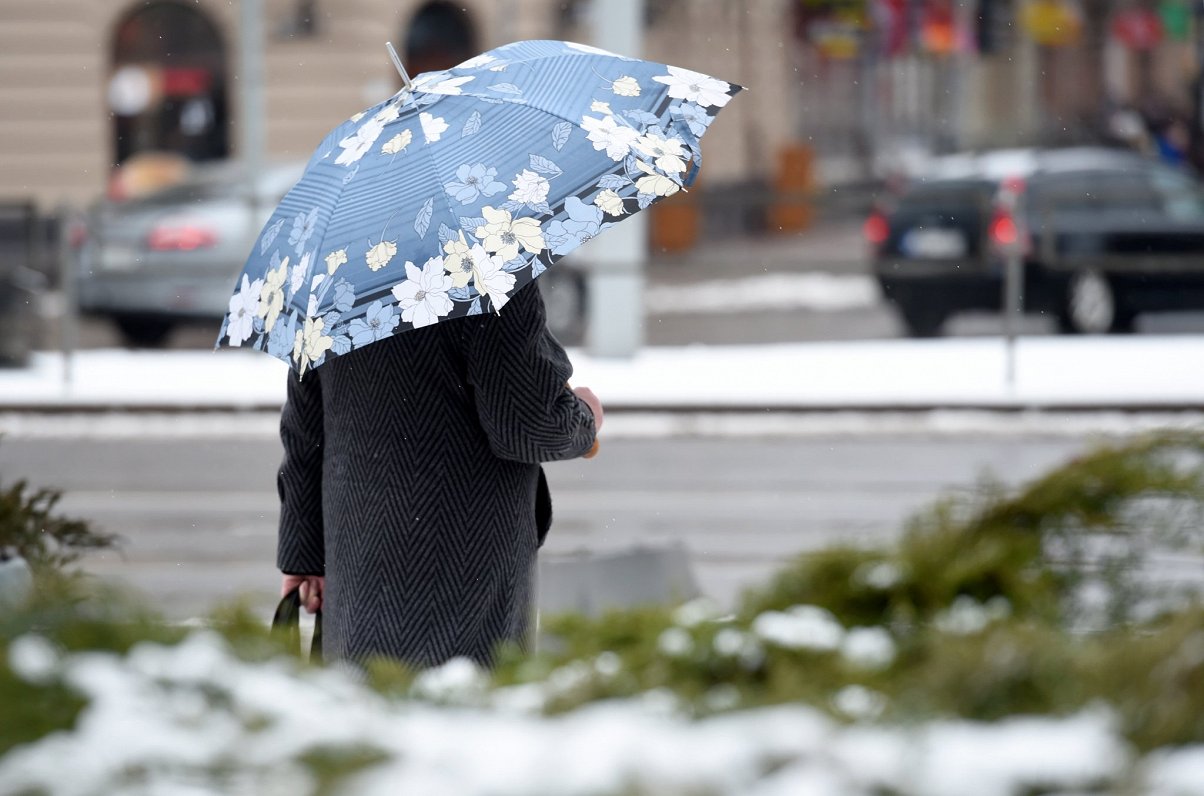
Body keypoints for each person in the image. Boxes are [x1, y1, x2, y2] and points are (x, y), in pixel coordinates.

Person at [276, 283, 602, 669]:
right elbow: (526, 425)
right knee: (458, 709)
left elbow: (305, 431)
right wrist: (584, 417)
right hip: (464, 563)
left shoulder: (333, 278)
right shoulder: (484, 268)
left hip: (354, 557)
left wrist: (305, 556)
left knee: (369, 701)